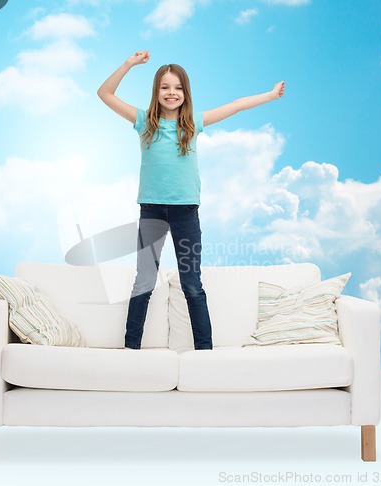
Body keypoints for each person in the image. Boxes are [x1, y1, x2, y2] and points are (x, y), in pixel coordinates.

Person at [97, 49, 285, 350]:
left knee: (192, 287)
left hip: (186, 213)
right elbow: (104, 93)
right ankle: (130, 350)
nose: (172, 93)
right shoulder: (145, 122)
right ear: (156, 91)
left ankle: (204, 353)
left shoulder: (193, 124)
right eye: (165, 87)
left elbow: (235, 106)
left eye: (178, 87)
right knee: (144, 283)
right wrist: (129, 64)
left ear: (186, 92)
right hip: (152, 212)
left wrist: (270, 95)